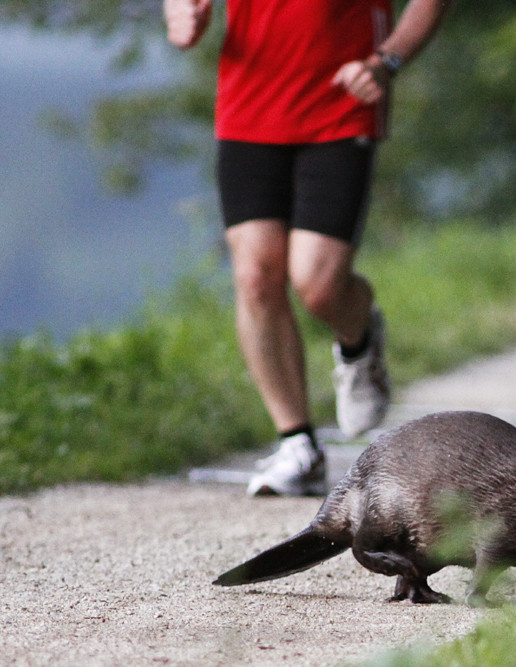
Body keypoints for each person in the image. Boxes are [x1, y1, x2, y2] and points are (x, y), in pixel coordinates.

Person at [164, 0, 451, 497]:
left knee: (318, 285)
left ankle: (358, 337)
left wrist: (388, 61)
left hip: (341, 103)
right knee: (255, 275)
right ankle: (297, 443)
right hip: (249, 107)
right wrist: (180, 12)